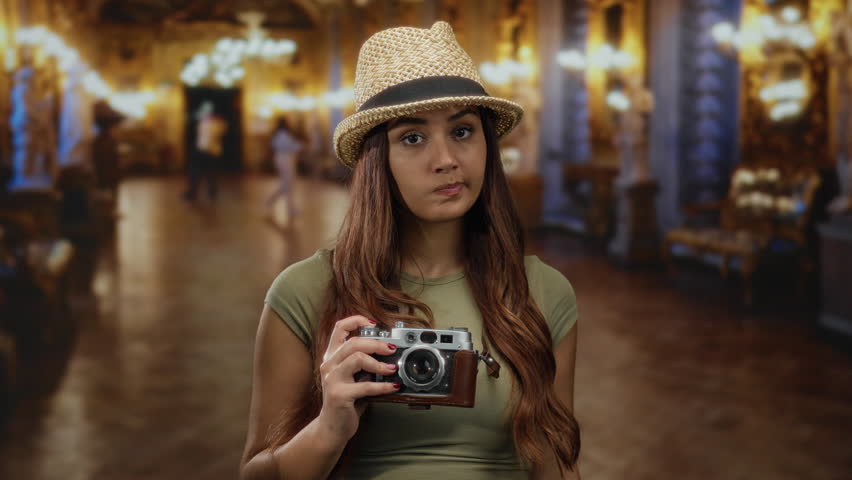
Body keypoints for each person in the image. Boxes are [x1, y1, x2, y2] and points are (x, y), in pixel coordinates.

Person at [241, 21, 581, 479]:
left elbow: (555, 468)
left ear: (486, 144)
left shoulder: (542, 292)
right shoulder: (304, 292)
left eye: (463, 131)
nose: (446, 159)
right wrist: (328, 428)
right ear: (376, 159)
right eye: (413, 137)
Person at [184, 101, 227, 202]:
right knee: (209, 172)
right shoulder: (216, 123)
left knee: (199, 172)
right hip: (209, 150)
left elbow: (207, 133)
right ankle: (208, 191)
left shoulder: (213, 124)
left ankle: (194, 192)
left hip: (205, 150)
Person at [265, 117, 303, 222]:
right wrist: (300, 146)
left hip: (285, 159)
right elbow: (288, 146)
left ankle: (273, 202)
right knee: (287, 183)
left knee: (287, 184)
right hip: (284, 160)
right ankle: (288, 207)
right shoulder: (282, 135)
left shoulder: (280, 134)